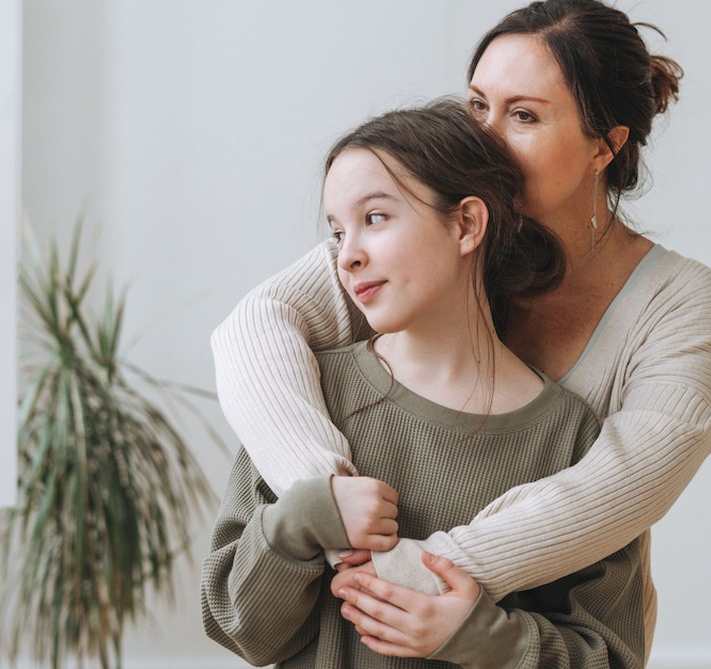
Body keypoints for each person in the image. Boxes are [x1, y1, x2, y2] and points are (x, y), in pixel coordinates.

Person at [209, 0, 711, 657]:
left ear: (606, 143)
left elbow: (622, 488)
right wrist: (325, 495)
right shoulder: (423, 245)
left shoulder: (676, 304)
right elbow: (254, 328)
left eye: (524, 115)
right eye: (478, 104)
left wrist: (431, 579)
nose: (486, 136)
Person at [201, 99, 645, 669]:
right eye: (338, 232)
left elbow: (610, 655)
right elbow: (240, 630)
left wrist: (487, 637)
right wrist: (299, 518)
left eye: (376, 218)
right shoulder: (308, 401)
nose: (348, 256)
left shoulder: (569, 437)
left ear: (465, 224)